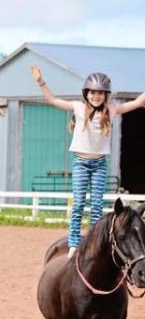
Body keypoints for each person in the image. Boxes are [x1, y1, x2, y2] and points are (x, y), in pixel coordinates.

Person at [30, 64, 145, 257]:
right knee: (78, 204)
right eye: (92, 92)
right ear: (86, 93)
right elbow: (52, 99)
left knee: (97, 205)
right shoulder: (78, 107)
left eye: (100, 93)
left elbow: (136, 102)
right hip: (81, 163)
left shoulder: (111, 110)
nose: (96, 96)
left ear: (106, 95)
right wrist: (41, 81)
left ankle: (94, 241)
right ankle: (74, 242)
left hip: (100, 164)